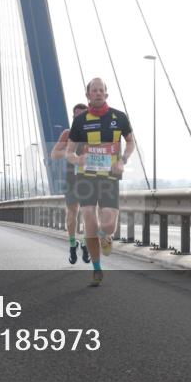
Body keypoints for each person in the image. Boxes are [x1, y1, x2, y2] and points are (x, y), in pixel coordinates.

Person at [66, 78, 136, 285]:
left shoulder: (119, 117)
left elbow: (131, 142)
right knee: (88, 216)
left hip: (110, 178)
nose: (97, 93)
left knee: (108, 223)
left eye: (101, 90)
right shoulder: (80, 121)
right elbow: (69, 152)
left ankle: (105, 235)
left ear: (106, 94)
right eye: (93, 91)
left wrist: (123, 160)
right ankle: (97, 269)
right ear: (88, 95)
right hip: (86, 178)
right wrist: (78, 159)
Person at [51, 102, 91, 265]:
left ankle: (86, 244)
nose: (80, 118)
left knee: (89, 213)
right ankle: (73, 244)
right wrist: (68, 150)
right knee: (72, 212)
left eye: (83, 115)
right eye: (77, 115)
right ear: (73, 117)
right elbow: (54, 154)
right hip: (71, 179)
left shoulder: (93, 134)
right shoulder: (67, 133)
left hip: (89, 178)